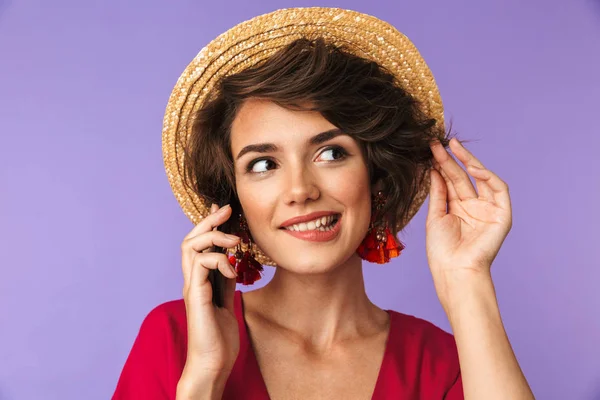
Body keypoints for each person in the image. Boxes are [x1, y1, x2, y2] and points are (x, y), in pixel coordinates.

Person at [112, 7, 535, 400]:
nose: (300, 189)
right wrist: (204, 375)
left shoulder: (445, 364)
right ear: (234, 200)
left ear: (377, 178)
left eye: (331, 153)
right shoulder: (176, 338)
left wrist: (467, 278)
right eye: (263, 164)